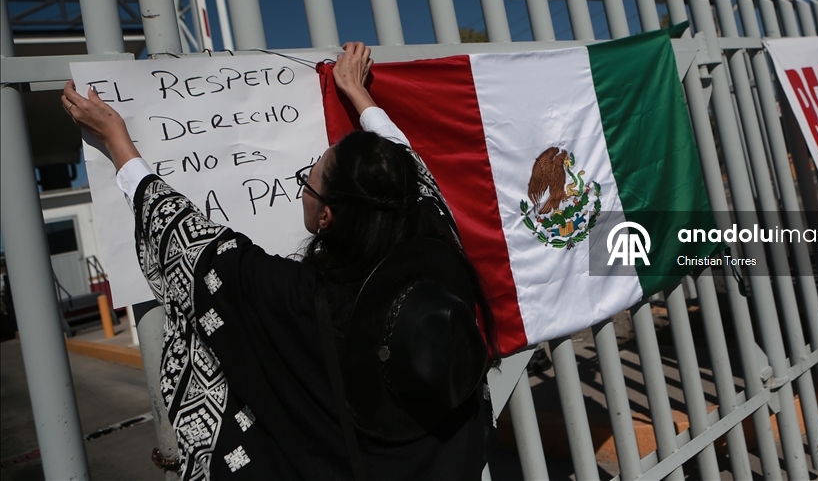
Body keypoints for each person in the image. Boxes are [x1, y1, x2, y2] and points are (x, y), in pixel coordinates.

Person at [62, 42, 495, 481]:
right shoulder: (433, 248)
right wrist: (358, 94)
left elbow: (187, 239)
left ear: (325, 216)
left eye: (309, 180)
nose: (302, 186)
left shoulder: (300, 296)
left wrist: (117, 141)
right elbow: (410, 172)